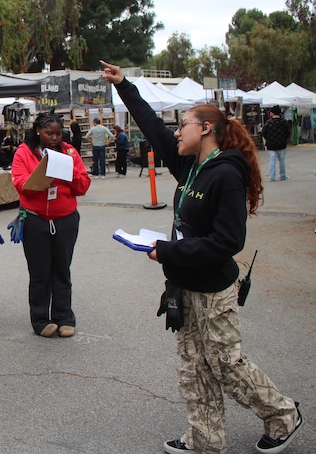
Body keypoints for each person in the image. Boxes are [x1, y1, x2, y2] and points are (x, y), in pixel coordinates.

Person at [101, 61, 302, 454]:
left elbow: (228, 241)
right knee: (194, 365)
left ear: (206, 128)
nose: (177, 132)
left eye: (185, 125)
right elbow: (152, 126)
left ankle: (284, 415)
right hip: (183, 284)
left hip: (213, 289)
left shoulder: (226, 174)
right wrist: (124, 85)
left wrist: (168, 250)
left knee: (227, 365)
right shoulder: (190, 166)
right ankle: (205, 438)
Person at [10, 112, 90, 338]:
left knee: (62, 270)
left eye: (58, 133)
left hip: (66, 219)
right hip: (36, 220)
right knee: (39, 272)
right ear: (38, 131)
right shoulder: (24, 152)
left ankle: (64, 317)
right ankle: (40, 320)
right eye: (49, 133)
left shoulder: (69, 152)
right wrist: (43, 176)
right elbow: (20, 184)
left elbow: (83, 185)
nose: (55, 138)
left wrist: (67, 171)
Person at [262, 106, 290, 181]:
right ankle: (283, 175)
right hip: (282, 144)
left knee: (272, 161)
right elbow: (288, 133)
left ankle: (272, 177)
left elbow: (264, 133)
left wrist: (268, 139)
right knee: (282, 161)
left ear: (273, 113)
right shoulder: (284, 122)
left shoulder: (268, 123)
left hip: (271, 145)